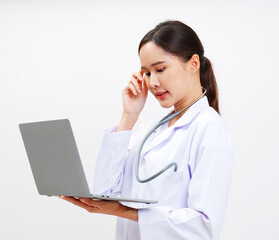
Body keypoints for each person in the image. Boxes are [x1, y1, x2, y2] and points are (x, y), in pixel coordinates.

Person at [60, 20, 233, 240]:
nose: (152, 83)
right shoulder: (150, 131)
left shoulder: (209, 129)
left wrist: (125, 211)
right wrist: (129, 116)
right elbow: (105, 191)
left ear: (193, 63)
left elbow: (203, 227)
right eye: (147, 73)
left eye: (160, 69)